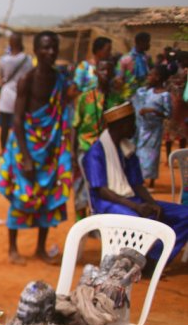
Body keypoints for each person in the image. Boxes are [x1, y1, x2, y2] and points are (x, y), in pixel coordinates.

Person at [0, 31, 72, 265]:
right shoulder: (27, 79)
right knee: (22, 196)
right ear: (36, 50)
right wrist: (26, 157)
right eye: (45, 48)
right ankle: (12, 247)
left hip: (50, 146)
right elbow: (17, 120)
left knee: (48, 197)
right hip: (26, 144)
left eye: (54, 48)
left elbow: (63, 110)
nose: (50, 52)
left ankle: (40, 247)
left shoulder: (60, 79)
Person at [83, 101, 188, 262]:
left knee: (184, 214)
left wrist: (152, 203)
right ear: (120, 125)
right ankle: (144, 259)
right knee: (143, 222)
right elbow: (102, 191)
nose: (134, 127)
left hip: (132, 199)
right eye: (131, 123)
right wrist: (137, 207)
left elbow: (137, 184)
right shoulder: (95, 153)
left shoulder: (127, 149)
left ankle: (153, 258)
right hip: (107, 203)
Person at [70, 58, 123, 220]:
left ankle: (99, 225)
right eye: (102, 70)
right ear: (95, 72)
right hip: (85, 150)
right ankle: (81, 227)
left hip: (108, 153)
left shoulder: (117, 101)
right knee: (80, 190)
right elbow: (75, 126)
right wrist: (72, 152)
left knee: (104, 191)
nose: (105, 74)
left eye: (109, 70)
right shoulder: (84, 99)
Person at [132, 64, 172, 186]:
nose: (148, 77)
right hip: (144, 127)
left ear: (158, 78)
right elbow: (139, 98)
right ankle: (141, 178)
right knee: (140, 152)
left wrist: (152, 111)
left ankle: (151, 182)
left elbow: (168, 113)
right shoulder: (148, 91)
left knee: (152, 155)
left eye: (151, 75)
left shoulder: (165, 95)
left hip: (155, 129)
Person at [0, 32, 32, 150]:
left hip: (6, 96)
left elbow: (1, 77)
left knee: (4, 127)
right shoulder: (28, 59)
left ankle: (3, 151)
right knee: (19, 125)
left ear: (10, 43)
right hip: (21, 96)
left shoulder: (3, 60)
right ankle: (18, 150)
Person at [116, 32, 151, 101]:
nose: (149, 45)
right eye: (147, 42)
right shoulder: (125, 59)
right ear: (140, 42)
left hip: (143, 95)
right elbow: (119, 78)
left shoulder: (147, 58)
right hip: (128, 96)